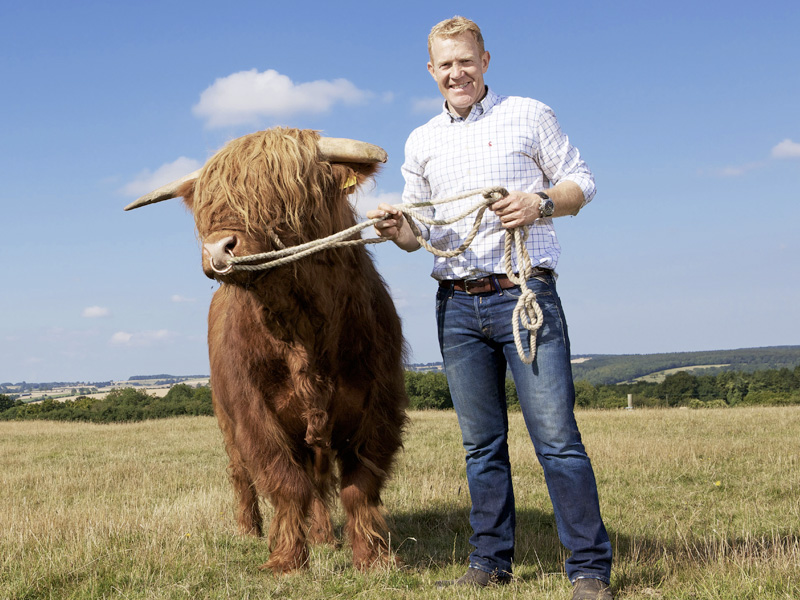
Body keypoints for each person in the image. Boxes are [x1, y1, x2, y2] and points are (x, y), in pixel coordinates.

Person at [366, 16, 613, 600]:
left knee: (555, 439)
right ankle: (490, 561)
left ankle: (588, 570)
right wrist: (397, 226)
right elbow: (417, 233)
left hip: (524, 296)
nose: (457, 72)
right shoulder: (421, 140)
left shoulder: (529, 113)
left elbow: (584, 183)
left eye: (466, 60)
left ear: (485, 61)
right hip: (456, 306)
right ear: (431, 71)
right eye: (445, 64)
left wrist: (541, 201)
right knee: (481, 445)